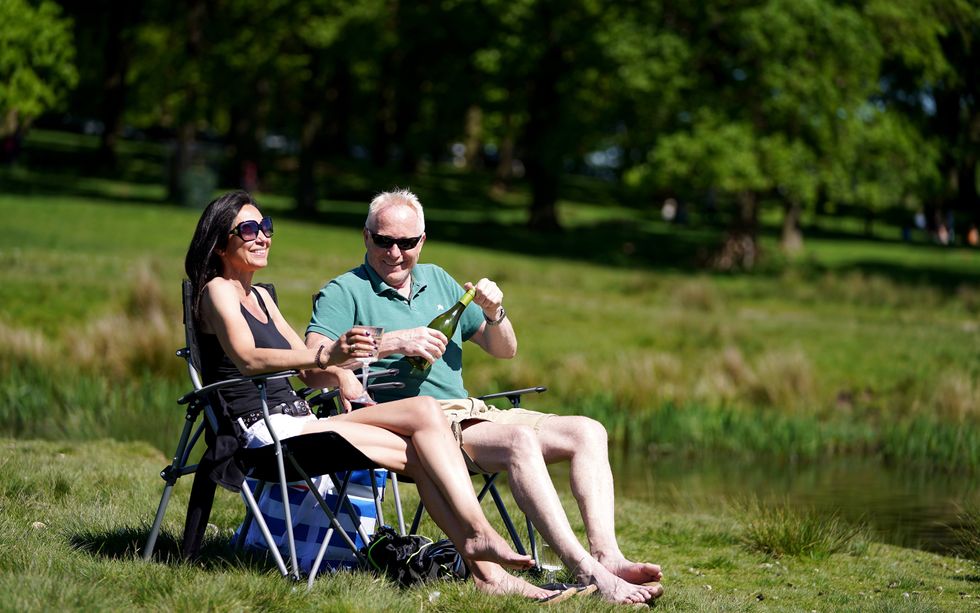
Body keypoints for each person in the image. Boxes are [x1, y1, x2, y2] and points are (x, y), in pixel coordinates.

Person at [305, 189, 664, 604]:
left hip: (473, 411)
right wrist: (391, 342)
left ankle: (609, 555)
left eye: (407, 243)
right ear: (366, 237)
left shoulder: (438, 279)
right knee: (519, 441)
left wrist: (496, 313)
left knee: (588, 430)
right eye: (384, 240)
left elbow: (504, 349)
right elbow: (314, 366)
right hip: (422, 427)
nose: (395, 253)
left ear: (422, 241)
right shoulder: (344, 291)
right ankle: (588, 572)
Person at [184, 190, 542, 585]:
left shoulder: (263, 296)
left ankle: (491, 575)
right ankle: (479, 535)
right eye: (248, 229)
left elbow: (303, 360)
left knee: (421, 448)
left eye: (265, 226)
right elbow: (250, 359)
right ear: (219, 243)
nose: (262, 236)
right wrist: (329, 360)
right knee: (423, 409)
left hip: (297, 419)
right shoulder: (218, 289)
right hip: (262, 431)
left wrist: (339, 373)